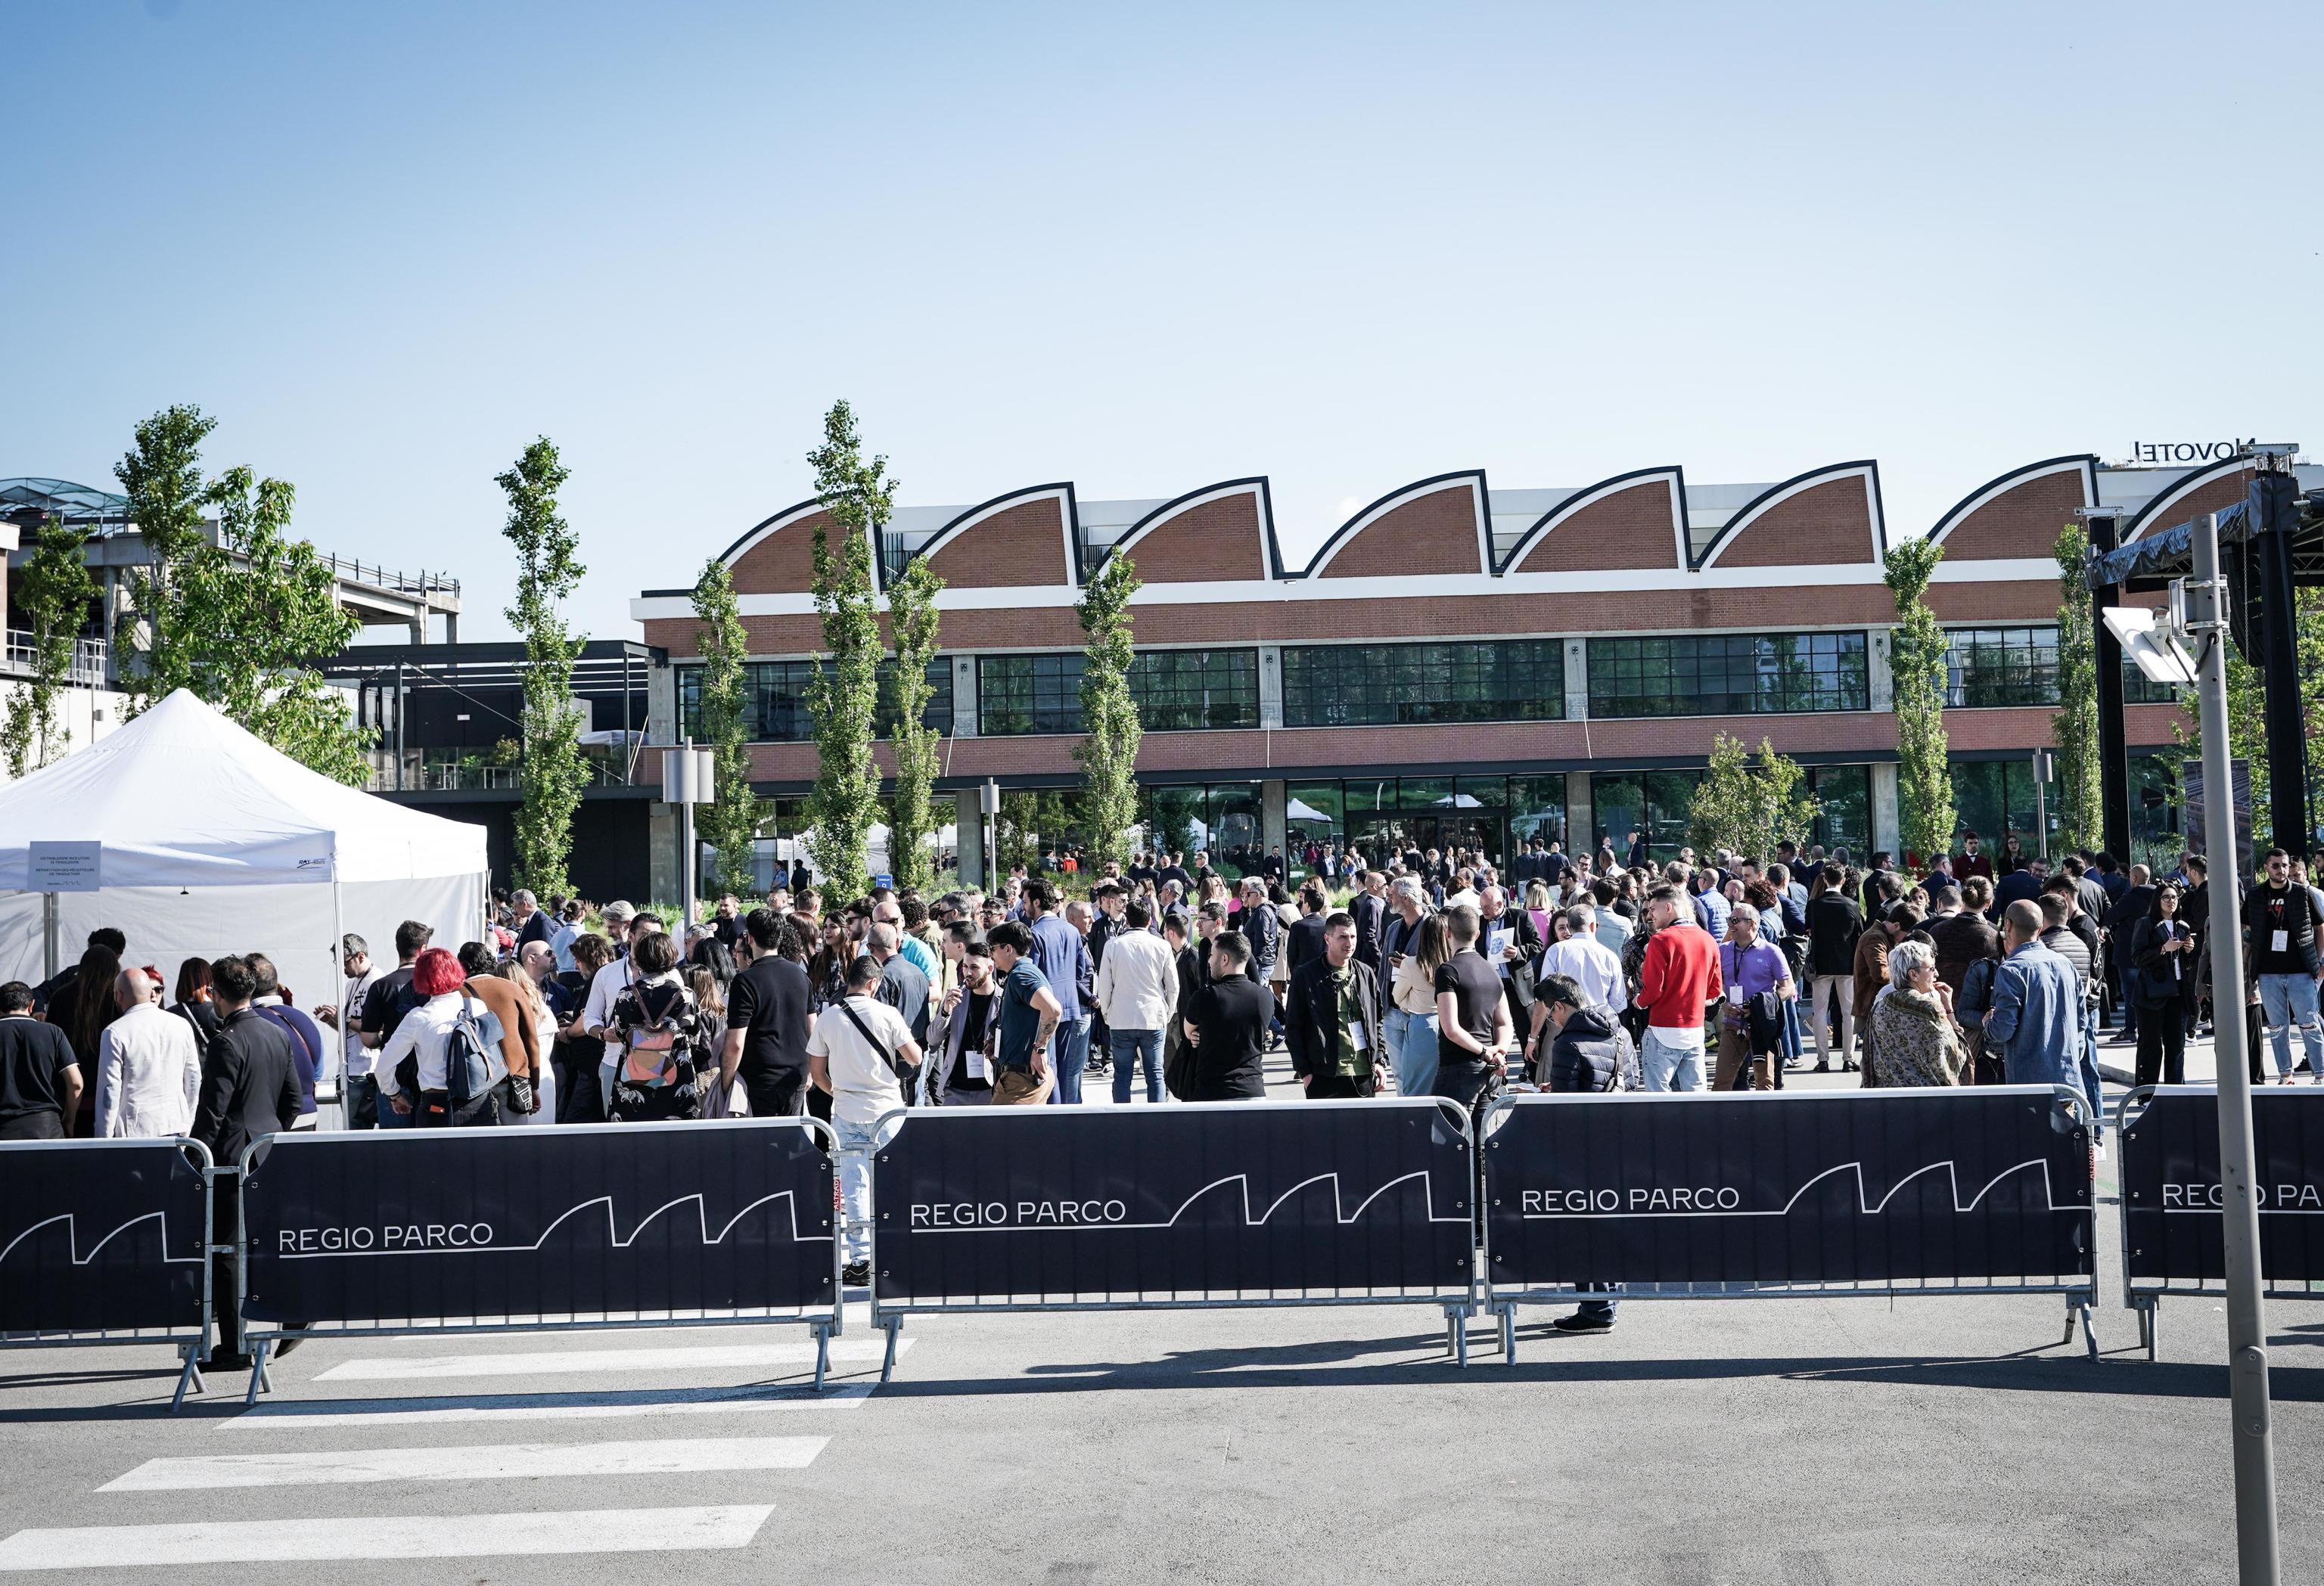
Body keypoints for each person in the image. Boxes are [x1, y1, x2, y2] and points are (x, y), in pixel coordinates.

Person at [809, 952, 921, 1286]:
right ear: (873, 983)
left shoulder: (829, 1017)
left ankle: (860, 1259)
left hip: (846, 1111)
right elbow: (914, 1057)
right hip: (887, 1109)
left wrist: (840, 1091)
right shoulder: (887, 1014)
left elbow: (817, 1074)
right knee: (892, 1182)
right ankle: (897, 1250)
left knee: (855, 1189)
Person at [1534, 971, 1634, 1333]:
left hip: (1580, 1150)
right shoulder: (1618, 1032)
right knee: (1608, 1223)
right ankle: (1608, 1300)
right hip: (1616, 1142)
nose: (1550, 1020)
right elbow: (1627, 1082)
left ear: (1559, 1006)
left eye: (1549, 1013)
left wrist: (1547, 1095)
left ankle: (1596, 1310)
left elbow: (1562, 1108)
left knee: (1582, 1228)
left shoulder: (1567, 1043)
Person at [377, 947, 507, 1127]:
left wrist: (395, 1095)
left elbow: (383, 1066)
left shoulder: (418, 1018)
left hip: (436, 1107)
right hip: (480, 1103)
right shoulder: (477, 1007)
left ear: (421, 978)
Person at [2243, 848, 2324, 1084]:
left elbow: (2320, 927)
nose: (2282, 870)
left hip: (2301, 970)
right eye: (2276, 865)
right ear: (2266, 868)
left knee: (2309, 1023)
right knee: (2277, 1027)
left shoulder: (2302, 893)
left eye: (2285, 865)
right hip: (2268, 972)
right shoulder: (2256, 895)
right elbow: (2246, 929)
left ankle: (2320, 1075)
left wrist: (2319, 960)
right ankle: (2285, 1075)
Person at [723, 908, 812, 1118]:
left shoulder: (745, 981)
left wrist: (727, 1082)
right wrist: (811, 1071)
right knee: (790, 1142)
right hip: (796, 1075)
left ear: (750, 938)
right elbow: (813, 1029)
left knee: (762, 1145)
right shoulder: (800, 976)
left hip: (761, 1079)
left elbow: (736, 1042)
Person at [1985, 900, 2083, 1090]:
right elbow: (2082, 1022)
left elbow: (2002, 1031)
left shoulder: (2011, 970)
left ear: (2008, 925)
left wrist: (1988, 1023)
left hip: (2030, 1086)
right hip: (2069, 1081)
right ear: (2040, 929)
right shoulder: (2065, 964)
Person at [1285, 911, 1385, 1098]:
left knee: (1364, 1128)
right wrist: (1305, 1073)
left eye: (1353, 936)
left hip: (1363, 1073)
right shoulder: (1306, 975)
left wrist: (1379, 1059)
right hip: (1324, 1074)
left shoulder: (1366, 973)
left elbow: (1378, 1020)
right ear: (1327, 938)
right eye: (1342, 937)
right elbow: (1293, 1027)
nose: (1349, 943)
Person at [1091, 898, 1179, 1104]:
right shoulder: (1162, 946)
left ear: (1127, 921)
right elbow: (1173, 986)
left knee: (1122, 1075)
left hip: (1121, 1017)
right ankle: (1156, 1120)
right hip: (1153, 1016)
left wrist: (1107, 1013)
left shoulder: (1113, 946)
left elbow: (1104, 985)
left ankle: (1122, 1121)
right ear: (1149, 921)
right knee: (1155, 1074)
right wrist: (1168, 1011)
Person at [95, 967, 200, 1138]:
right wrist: (188, 1121)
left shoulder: (115, 1032)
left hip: (134, 1129)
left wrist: (103, 1136)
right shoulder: (181, 1025)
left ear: (118, 995)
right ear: (151, 992)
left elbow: (110, 1089)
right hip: (175, 1123)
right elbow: (194, 1079)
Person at [1636, 884, 1720, 1092]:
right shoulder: (1708, 940)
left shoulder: (1660, 940)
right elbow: (1715, 990)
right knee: (1696, 1094)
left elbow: (1653, 990)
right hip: (1694, 1028)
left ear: (1668, 908)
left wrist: (1638, 1001)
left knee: (1658, 1095)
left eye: (1653, 908)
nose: (1649, 915)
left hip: (1663, 1026)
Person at [1432, 906, 1513, 1109]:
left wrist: (1484, 1051)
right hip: (1491, 1068)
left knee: (1450, 1135)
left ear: (1448, 933)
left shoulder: (1448, 971)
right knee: (1482, 1136)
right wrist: (1500, 1052)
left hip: (1458, 1066)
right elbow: (1504, 1021)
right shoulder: (1492, 971)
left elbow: (1451, 1028)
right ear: (1478, 934)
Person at [358, 920, 435, 1129]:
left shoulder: (381, 986)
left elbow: (368, 1039)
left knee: (396, 1151)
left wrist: (389, 1038)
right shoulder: (435, 984)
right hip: (430, 1078)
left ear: (398, 947)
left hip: (394, 1077)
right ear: (423, 949)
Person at [453, 943, 543, 1120]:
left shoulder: (456, 993)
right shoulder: (512, 989)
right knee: (515, 1143)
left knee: (479, 1144)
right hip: (513, 1079)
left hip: (474, 1081)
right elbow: (531, 1040)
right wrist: (534, 1085)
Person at [1023, 880, 1093, 1103]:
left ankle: (1056, 1119)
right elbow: (1081, 970)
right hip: (1070, 1007)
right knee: (1066, 1070)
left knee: (1048, 1069)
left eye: (1025, 902)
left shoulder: (1034, 934)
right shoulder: (1071, 931)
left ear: (1036, 902)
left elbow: (1030, 976)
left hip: (1045, 1011)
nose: (1023, 907)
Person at [1182, 930, 1273, 1100]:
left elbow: (1188, 1031)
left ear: (1224, 959)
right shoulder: (1265, 997)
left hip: (1212, 1092)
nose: (1208, 961)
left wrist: (1198, 1034)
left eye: (1212, 955)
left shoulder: (1205, 997)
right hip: (1252, 1091)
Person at [1715, 907, 1794, 1091]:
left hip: (1761, 1026)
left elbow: (1789, 988)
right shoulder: (1723, 951)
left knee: (1765, 1083)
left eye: (1735, 921)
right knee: (1721, 1083)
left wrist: (1764, 1005)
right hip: (1733, 1024)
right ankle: (1721, 1119)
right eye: (1729, 920)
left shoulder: (1771, 952)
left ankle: (1765, 1120)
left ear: (1752, 923)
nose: (1730, 925)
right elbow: (1712, 986)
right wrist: (1723, 1004)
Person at [1870, 939, 1967, 1087]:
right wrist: (1948, 1009)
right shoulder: (1930, 1009)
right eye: (1932, 968)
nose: (1937, 973)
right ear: (1913, 974)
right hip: (1925, 1098)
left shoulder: (1881, 1005)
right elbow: (1956, 1055)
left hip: (1888, 1096)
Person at [985, 921, 1061, 1105]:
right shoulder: (1022, 973)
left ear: (1008, 949)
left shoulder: (1022, 975)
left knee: (997, 1132)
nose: (990, 955)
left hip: (1022, 1081)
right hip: (1025, 1077)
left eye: (992, 949)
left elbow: (1053, 1010)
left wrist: (1040, 1049)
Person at [2129, 883, 2196, 1088]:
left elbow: (2186, 965)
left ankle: (2175, 1091)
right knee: (2151, 1045)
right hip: (2152, 992)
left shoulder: (2182, 926)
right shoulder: (2145, 924)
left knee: (2176, 1045)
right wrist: (2163, 949)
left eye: (2174, 897)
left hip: (2178, 991)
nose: (2171, 902)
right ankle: (2145, 1092)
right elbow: (2137, 957)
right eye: (2166, 898)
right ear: (2157, 901)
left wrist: (2188, 952)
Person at [0, 980, 83, 1139]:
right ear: (31, 1005)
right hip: (46, 1127)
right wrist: (68, 1121)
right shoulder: (53, 1033)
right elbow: (76, 1083)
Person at [316, 933, 381, 1130]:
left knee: (357, 1130)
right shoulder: (351, 984)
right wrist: (332, 1020)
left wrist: (343, 1018)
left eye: (345, 963)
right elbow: (350, 1028)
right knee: (352, 1128)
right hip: (346, 1069)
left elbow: (376, 1029)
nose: (342, 969)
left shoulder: (377, 982)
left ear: (360, 957)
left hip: (364, 1070)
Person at [928, 933, 1000, 1106]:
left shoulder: (1004, 1000)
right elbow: (932, 1039)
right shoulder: (956, 999)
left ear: (990, 969)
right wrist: (945, 1011)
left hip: (990, 1089)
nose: (968, 973)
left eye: (974, 967)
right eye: (965, 966)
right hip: (955, 1089)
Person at [867, 923, 932, 1057]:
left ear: (870, 947)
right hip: (916, 1051)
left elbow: (877, 1022)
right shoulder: (919, 972)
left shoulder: (883, 977)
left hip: (891, 1055)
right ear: (897, 943)